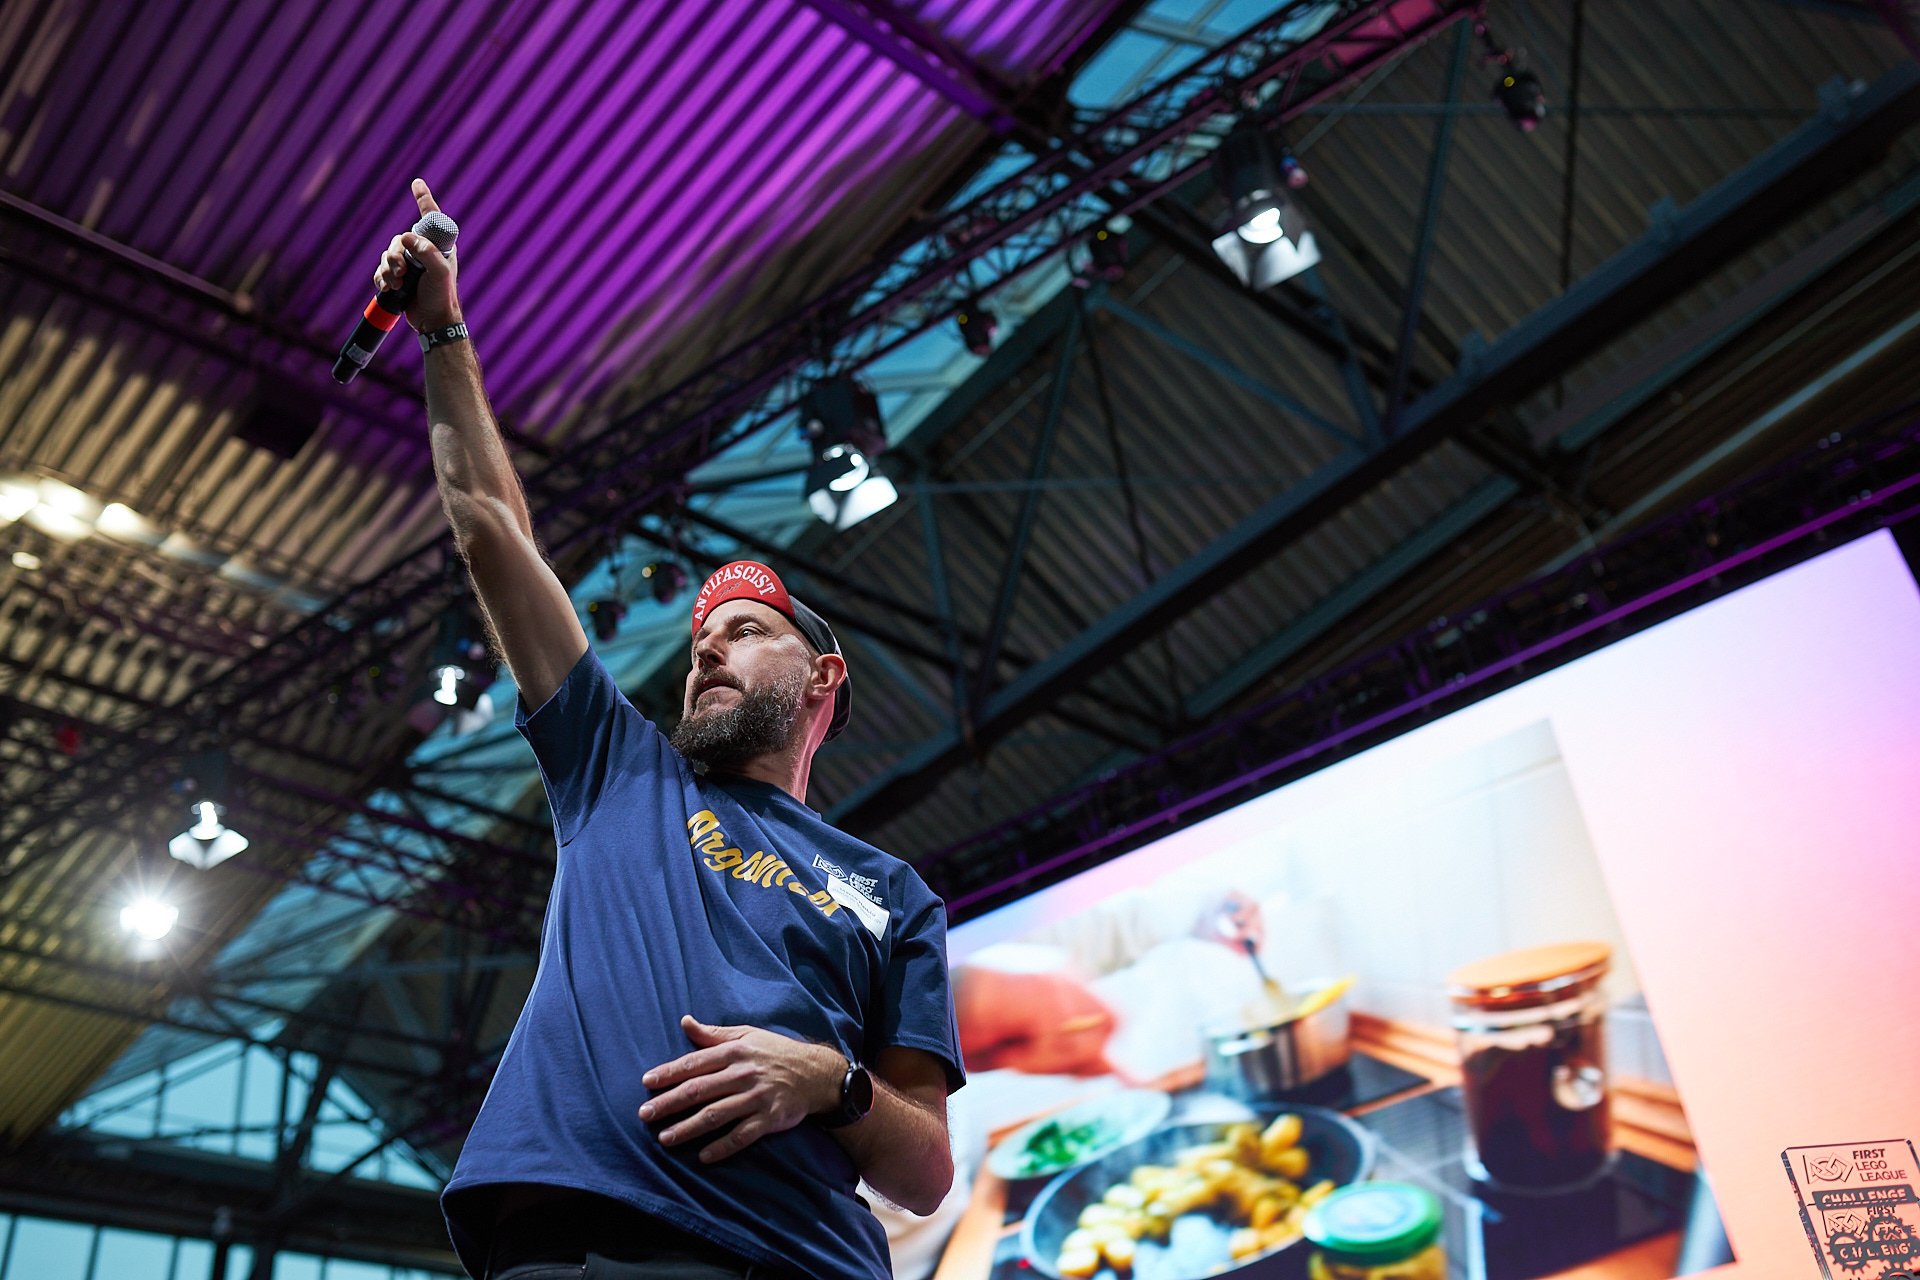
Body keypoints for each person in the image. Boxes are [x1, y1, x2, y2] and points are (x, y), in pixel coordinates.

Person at [373, 179, 964, 1280]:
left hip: (808, 1260)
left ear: (823, 675)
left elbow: (924, 1170)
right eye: (701, 636)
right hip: (585, 1242)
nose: (706, 647)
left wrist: (822, 1079)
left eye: (743, 630)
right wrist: (445, 331)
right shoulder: (617, 768)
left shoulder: (894, 894)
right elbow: (491, 528)